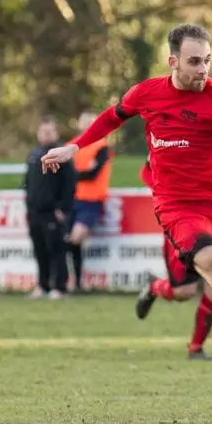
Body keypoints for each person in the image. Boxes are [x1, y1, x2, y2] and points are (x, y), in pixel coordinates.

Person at [40, 23, 212, 411]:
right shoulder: (147, 94)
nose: (203, 69)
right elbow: (113, 117)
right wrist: (74, 147)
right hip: (179, 208)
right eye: (195, 62)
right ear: (173, 61)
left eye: (208, 61)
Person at [134, 158, 212, 361]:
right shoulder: (169, 140)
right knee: (184, 291)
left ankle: (196, 348)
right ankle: (155, 287)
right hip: (181, 229)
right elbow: (148, 174)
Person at [24, 116, 76, 300]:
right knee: (40, 250)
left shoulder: (62, 155)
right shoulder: (34, 155)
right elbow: (28, 183)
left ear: (55, 133)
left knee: (56, 249)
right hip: (35, 212)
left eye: (49, 131)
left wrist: (63, 208)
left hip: (53, 212)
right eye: (43, 131)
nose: (45, 135)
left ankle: (59, 287)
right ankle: (42, 285)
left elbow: (70, 184)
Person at [67, 110, 114, 292]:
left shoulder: (101, 147)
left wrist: (74, 175)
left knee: (76, 237)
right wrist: (78, 174)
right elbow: (65, 174)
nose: (87, 126)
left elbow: (92, 173)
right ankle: (75, 282)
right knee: (68, 241)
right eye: (85, 122)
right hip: (72, 200)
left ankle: (78, 281)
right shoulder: (70, 146)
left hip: (92, 201)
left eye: (91, 122)